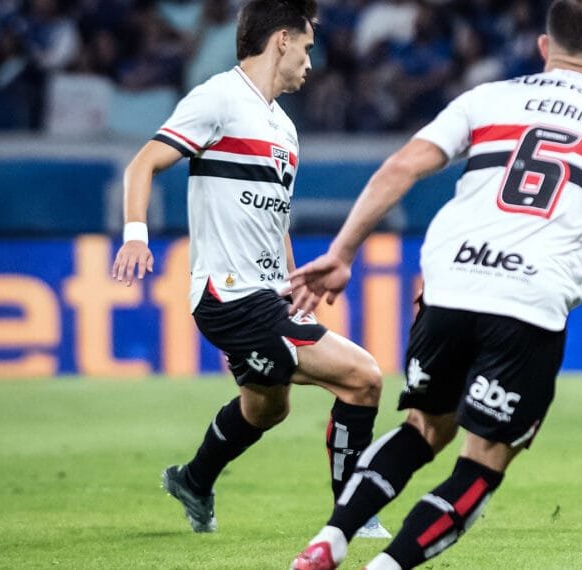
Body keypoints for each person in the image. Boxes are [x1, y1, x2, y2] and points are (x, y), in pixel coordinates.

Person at [285, 1, 582, 568]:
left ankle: (330, 538)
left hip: (449, 287)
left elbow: (402, 165)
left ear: (544, 48)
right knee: (484, 459)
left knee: (423, 428)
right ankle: (389, 565)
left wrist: (342, 251)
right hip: (528, 303)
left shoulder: (489, 98)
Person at [110, 0, 389, 539]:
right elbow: (143, 162)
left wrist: (291, 285)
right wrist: (135, 235)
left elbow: (274, 215)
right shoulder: (218, 98)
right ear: (281, 39)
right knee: (363, 378)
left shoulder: (284, 129)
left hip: (264, 294)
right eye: (307, 47)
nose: (311, 61)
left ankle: (193, 480)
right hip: (228, 294)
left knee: (266, 408)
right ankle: (353, 516)